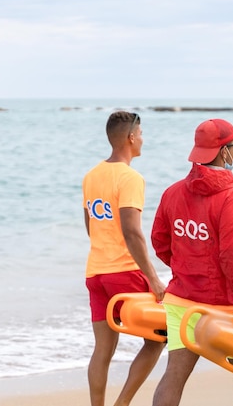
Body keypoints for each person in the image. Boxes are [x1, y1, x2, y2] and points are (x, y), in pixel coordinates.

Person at [151, 119, 233, 406]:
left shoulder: (172, 192)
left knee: (174, 374)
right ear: (224, 151)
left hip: (181, 301)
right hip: (222, 304)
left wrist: (185, 266)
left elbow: (160, 240)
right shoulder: (231, 198)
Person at [82, 111, 167, 406]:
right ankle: (122, 404)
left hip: (95, 274)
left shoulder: (91, 176)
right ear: (130, 138)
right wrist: (153, 278)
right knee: (159, 338)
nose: (143, 139)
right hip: (124, 273)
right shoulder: (130, 177)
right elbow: (132, 232)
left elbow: (90, 226)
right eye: (141, 133)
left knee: (102, 350)